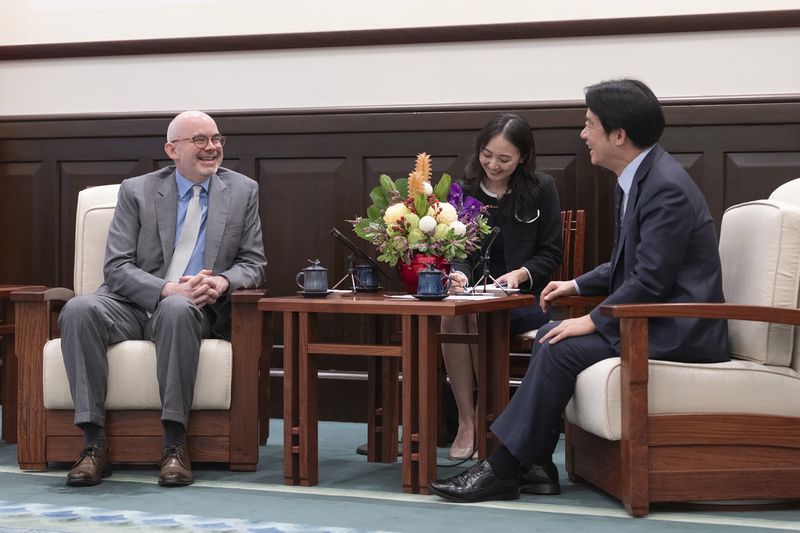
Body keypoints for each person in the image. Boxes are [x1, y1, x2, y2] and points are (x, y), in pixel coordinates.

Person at [429, 79, 729, 502]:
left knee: (558, 342)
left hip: (679, 328)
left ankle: (503, 469)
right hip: (651, 317)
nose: (583, 135)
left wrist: (588, 320)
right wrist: (576, 284)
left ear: (618, 135)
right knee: (553, 338)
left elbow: (651, 282)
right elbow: (631, 264)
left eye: (590, 125)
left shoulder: (665, 189)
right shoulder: (640, 178)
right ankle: (536, 466)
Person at [59, 110, 267, 487]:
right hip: (130, 303)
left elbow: (253, 263)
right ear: (172, 149)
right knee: (78, 308)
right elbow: (117, 267)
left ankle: (174, 444)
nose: (211, 148)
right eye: (199, 140)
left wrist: (221, 282)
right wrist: (166, 288)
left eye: (216, 139)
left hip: (194, 309)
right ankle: (93, 444)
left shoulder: (242, 190)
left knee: (175, 308)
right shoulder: (137, 190)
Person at [442, 113, 563, 460]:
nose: (493, 165)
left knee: (479, 317)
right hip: (471, 296)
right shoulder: (462, 191)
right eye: (487, 155)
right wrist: (460, 274)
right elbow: (455, 247)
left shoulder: (541, 188)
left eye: (504, 159)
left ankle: (489, 417)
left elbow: (551, 252)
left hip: (521, 300)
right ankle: (468, 420)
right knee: (452, 315)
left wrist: (521, 273)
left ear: (522, 157)